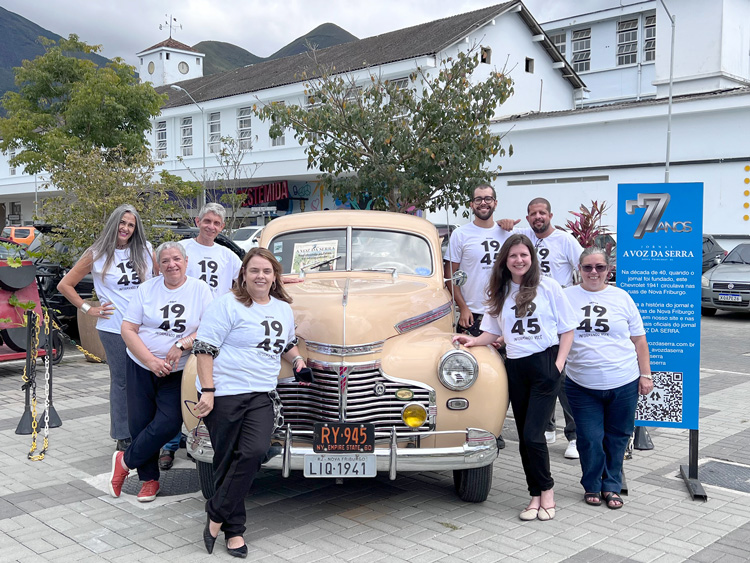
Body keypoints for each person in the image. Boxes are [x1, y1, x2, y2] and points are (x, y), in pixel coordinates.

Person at [192, 247, 306, 557]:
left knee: (254, 452)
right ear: (244, 274)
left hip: (262, 393)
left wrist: (297, 362)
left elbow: (286, 343)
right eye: (254, 270)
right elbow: (204, 349)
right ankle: (235, 532)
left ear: (274, 277)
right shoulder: (226, 305)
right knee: (227, 461)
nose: (260, 276)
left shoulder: (282, 308)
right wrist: (209, 391)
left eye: (266, 271)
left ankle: (215, 512)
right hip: (226, 392)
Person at [453, 234, 575, 521]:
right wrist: (471, 341)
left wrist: (558, 365)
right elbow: (493, 332)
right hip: (516, 368)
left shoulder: (549, 286)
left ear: (531, 258)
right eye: (513, 256)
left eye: (524, 255)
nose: (519, 260)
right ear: (505, 261)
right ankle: (534, 496)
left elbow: (568, 329)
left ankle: (548, 492)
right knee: (524, 438)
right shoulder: (501, 291)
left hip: (545, 364)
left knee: (534, 436)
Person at [109, 242, 212, 502]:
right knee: (140, 423)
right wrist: (151, 360)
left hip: (178, 370)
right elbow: (128, 329)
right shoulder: (146, 289)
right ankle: (149, 480)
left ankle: (124, 461)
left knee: (168, 423)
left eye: (176, 259)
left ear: (186, 262)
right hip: (142, 365)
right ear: (158, 265)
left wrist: (182, 343)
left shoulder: (200, 290)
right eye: (165, 261)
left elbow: (210, 329)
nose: (171, 265)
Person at [58, 204, 155, 451]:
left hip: (144, 326)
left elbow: (157, 283)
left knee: (147, 378)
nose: (126, 228)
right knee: (122, 380)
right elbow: (65, 285)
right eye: (122, 223)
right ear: (114, 223)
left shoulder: (145, 250)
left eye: (131, 225)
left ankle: (148, 429)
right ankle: (122, 435)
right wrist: (88, 309)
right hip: (113, 327)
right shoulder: (96, 253)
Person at [564, 247, 653, 509]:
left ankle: (612, 484)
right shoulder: (566, 297)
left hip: (623, 381)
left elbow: (639, 340)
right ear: (579, 269)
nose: (594, 272)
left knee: (618, 436)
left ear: (608, 270)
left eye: (599, 267)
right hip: (582, 384)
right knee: (589, 438)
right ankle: (591, 484)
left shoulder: (622, 297)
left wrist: (645, 375)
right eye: (587, 267)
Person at [158, 202, 242, 471]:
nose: (211, 227)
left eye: (217, 223)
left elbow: (249, 278)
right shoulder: (183, 250)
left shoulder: (228, 256)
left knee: (209, 384)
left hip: (216, 328)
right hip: (184, 327)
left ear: (222, 227)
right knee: (177, 387)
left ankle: (203, 438)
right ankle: (169, 445)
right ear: (197, 220)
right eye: (207, 221)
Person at [500, 197, 583, 459]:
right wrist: (504, 223)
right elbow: (502, 231)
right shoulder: (524, 234)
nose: (538, 217)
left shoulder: (565, 239)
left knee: (560, 377)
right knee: (538, 375)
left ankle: (575, 435)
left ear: (550, 215)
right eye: (533, 214)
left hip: (557, 311)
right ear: (527, 218)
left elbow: (583, 267)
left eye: (542, 213)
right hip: (531, 314)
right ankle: (547, 427)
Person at [444, 184, 512, 449]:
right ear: (471, 204)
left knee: (503, 375)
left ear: (496, 202)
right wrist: (462, 307)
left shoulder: (508, 233)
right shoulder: (461, 234)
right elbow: (452, 277)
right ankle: (474, 425)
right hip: (473, 314)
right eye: (478, 199)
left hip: (504, 313)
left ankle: (496, 427)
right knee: (476, 372)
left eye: (488, 199)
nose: (483, 203)